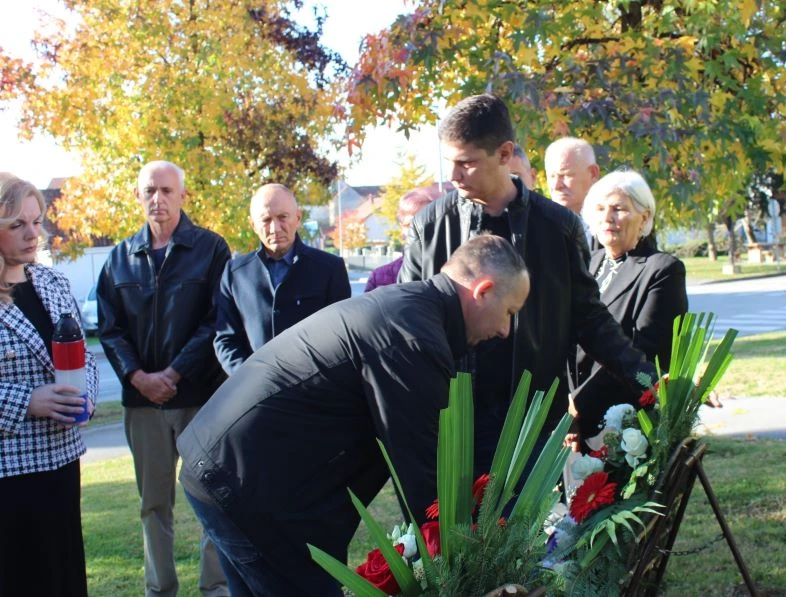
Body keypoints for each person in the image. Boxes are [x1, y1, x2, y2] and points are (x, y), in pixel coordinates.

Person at [177, 234, 531, 596]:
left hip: (230, 468)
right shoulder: (414, 337)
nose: (505, 330)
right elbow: (424, 472)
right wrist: (472, 567)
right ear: (483, 290)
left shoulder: (410, 311)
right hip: (247, 484)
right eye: (509, 313)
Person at [399, 94, 656, 474]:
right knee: (453, 534)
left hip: (530, 426)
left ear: (504, 154)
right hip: (451, 424)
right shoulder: (430, 225)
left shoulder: (558, 228)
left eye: (466, 163)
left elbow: (590, 320)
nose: (452, 177)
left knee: (527, 533)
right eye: (449, 162)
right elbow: (409, 323)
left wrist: (648, 383)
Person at [97, 161, 230, 597]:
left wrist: (174, 372)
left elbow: (216, 321)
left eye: (167, 190)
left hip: (197, 398)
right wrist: (138, 377)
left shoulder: (211, 250)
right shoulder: (119, 259)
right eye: (150, 190)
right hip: (143, 405)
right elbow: (110, 329)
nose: (159, 198)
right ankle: (160, 588)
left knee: (212, 500)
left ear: (183, 196)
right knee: (153, 504)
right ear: (138, 196)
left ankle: (214, 587)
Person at [0, 176, 98, 597]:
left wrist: (88, 395)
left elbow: (85, 355)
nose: (33, 234)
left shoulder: (53, 283)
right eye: (17, 224)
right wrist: (27, 401)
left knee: (63, 576)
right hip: (9, 473)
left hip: (60, 461)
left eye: (36, 222)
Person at [571, 170, 688, 440]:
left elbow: (644, 353)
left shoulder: (662, 270)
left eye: (618, 209)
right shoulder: (588, 262)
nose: (607, 218)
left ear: (644, 217)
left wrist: (580, 407)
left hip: (622, 421)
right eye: (600, 208)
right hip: (571, 415)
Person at [214, 183, 350, 374]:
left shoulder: (329, 269)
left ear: (298, 217)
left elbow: (340, 337)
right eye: (266, 220)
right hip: (255, 391)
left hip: (314, 391)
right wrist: (247, 380)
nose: (275, 228)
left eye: (282, 217)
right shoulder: (235, 273)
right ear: (253, 225)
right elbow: (226, 339)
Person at [364, 186, 439, 291]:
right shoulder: (380, 278)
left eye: (428, 224)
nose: (420, 231)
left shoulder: (458, 273)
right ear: (402, 228)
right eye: (411, 225)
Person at [544, 137, 600, 248]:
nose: (556, 186)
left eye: (565, 175)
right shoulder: (536, 224)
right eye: (552, 176)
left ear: (593, 173)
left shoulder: (612, 223)